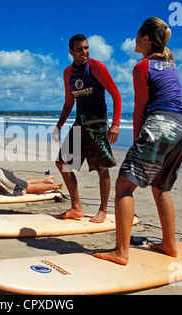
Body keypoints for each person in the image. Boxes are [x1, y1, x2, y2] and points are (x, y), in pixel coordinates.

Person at [93, 17, 182, 265]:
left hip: (159, 126)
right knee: (161, 188)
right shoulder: (171, 64)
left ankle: (121, 252)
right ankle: (169, 244)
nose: (134, 40)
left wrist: (138, 140)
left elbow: (140, 109)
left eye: (137, 35)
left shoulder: (142, 66)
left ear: (146, 39)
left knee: (124, 186)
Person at [52, 34, 122, 223]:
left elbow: (116, 95)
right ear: (71, 51)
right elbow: (69, 102)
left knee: (102, 168)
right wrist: (59, 125)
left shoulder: (96, 67)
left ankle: (103, 210)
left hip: (98, 123)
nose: (84, 52)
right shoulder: (68, 73)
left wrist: (115, 124)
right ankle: (76, 207)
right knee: (62, 162)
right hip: (80, 123)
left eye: (86, 48)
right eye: (79, 49)